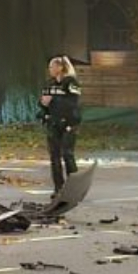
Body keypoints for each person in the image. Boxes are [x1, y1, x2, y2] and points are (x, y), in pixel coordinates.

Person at [39, 55, 82, 191]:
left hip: (68, 123)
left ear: (60, 68)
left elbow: (72, 103)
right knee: (54, 157)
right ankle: (59, 188)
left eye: (52, 66)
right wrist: (43, 104)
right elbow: (44, 102)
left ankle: (74, 187)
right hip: (53, 123)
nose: (50, 69)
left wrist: (54, 100)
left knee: (67, 154)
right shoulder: (50, 84)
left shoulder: (71, 83)